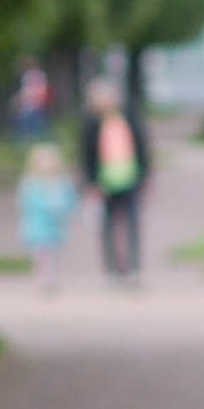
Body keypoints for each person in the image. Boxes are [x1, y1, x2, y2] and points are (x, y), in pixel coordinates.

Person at [78, 76, 150, 282]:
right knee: (107, 226)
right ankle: (112, 270)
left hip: (129, 179)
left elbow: (141, 147)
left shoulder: (128, 118)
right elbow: (87, 155)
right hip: (105, 182)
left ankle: (134, 267)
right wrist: (91, 182)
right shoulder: (92, 124)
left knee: (131, 224)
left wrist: (144, 175)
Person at [16, 136, 74, 285]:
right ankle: (43, 275)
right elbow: (25, 203)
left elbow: (70, 200)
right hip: (37, 224)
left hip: (54, 224)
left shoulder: (61, 181)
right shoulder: (31, 183)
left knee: (52, 251)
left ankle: (50, 275)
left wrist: (62, 209)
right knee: (40, 251)